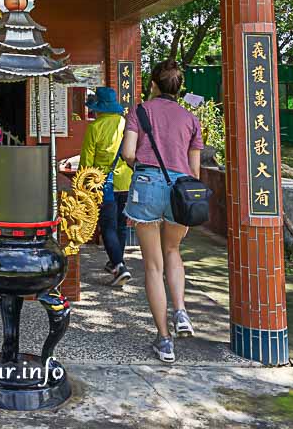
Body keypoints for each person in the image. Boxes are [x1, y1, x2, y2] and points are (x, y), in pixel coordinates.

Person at [120, 60, 204, 363]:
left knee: (153, 265)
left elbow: (129, 153)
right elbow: (194, 169)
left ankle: (164, 340)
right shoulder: (191, 119)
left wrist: (140, 167)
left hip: (147, 184)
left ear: (153, 84)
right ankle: (181, 310)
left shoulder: (140, 111)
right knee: (173, 252)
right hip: (182, 189)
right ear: (178, 88)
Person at [80, 87, 134, 286]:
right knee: (121, 225)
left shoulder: (95, 128)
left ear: (99, 108)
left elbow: (87, 162)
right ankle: (115, 261)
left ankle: (119, 266)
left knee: (107, 226)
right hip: (126, 182)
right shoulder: (125, 123)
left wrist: (83, 188)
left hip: (104, 183)